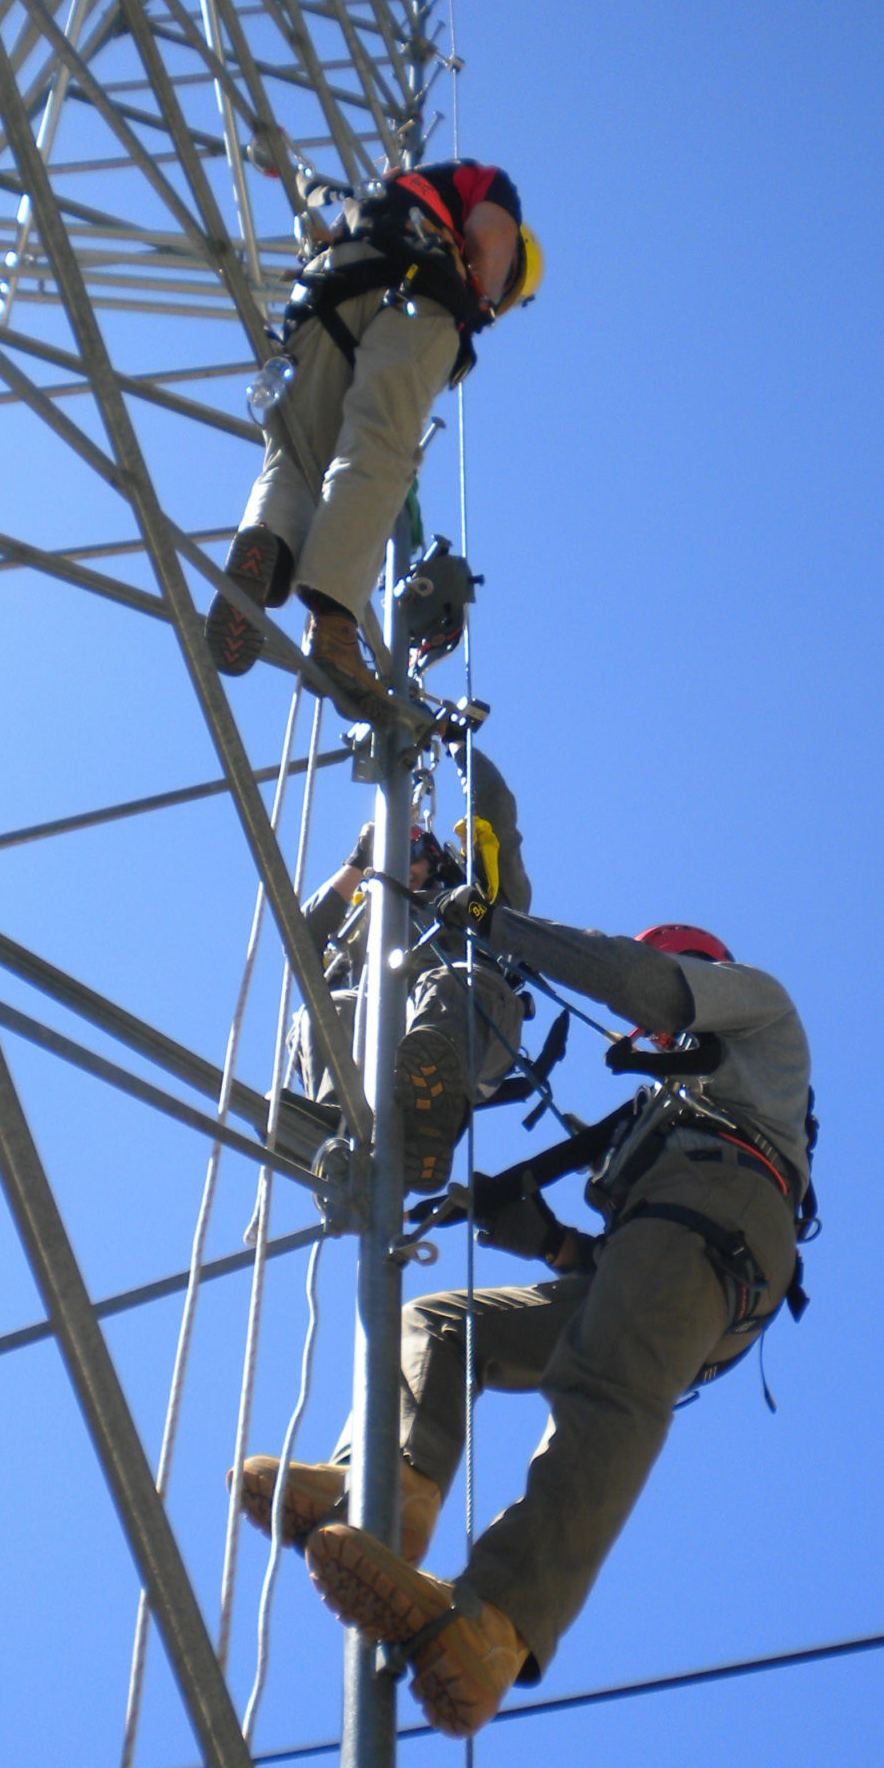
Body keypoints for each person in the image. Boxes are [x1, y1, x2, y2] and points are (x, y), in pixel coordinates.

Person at [240, 906, 815, 1737]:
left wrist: (492, 924)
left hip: (722, 1218)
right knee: (442, 1324)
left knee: (607, 1386)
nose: (644, 1033)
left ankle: (496, 1624)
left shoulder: (760, 1011)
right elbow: (623, 1266)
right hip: (674, 1251)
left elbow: (641, 983)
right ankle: (391, 1482)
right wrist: (546, 1240)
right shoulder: (662, 1110)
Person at [204, 161, 540, 719]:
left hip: (326, 296)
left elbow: (328, 219)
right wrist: (477, 297)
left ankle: (269, 539)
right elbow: (493, 235)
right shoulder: (489, 185)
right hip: (416, 296)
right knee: (377, 447)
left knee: (296, 456)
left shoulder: (381, 196)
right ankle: (335, 626)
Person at [289, 747, 531, 1191]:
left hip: (475, 1022)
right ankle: (337, 1132)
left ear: (433, 855)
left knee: (447, 982)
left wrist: (460, 747)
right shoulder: (367, 918)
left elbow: (497, 813)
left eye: (411, 852)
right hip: (385, 1030)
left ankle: (431, 1102)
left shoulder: (476, 895)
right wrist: (360, 860)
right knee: (327, 1009)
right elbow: (301, 937)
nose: (403, 866)